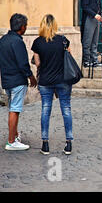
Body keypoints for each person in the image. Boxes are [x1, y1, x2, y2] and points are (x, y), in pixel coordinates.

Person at [32, 15, 74, 155]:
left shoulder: (37, 42)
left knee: (45, 109)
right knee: (66, 109)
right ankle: (68, 143)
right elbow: (68, 58)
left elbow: (38, 64)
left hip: (45, 80)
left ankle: (45, 144)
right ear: (55, 25)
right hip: (63, 80)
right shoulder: (63, 41)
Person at [0, 14, 37, 151]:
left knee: (13, 108)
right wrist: (31, 76)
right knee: (15, 110)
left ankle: (15, 135)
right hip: (17, 80)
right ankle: (11, 141)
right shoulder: (17, 42)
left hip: (7, 78)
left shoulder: (3, 40)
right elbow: (23, 63)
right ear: (22, 27)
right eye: (26, 25)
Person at [80, 0, 102, 68]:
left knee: (94, 41)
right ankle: (86, 60)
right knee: (87, 41)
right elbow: (84, 6)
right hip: (89, 18)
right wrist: (94, 15)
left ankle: (94, 60)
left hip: (96, 18)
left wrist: (101, 18)